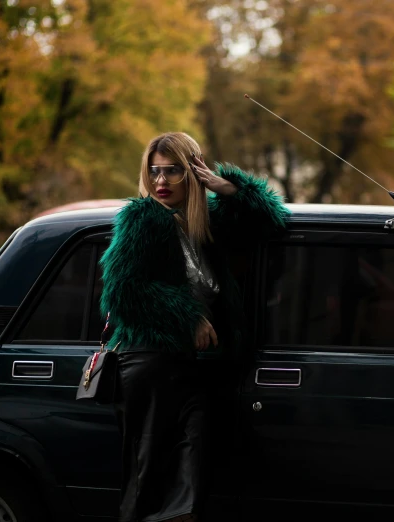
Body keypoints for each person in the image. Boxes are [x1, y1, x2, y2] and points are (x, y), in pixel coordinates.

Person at [99, 132, 289, 522]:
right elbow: (123, 290)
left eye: (174, 172)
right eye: (155, 172)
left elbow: (271, 220)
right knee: (149, 471)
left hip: (194, 368)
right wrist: (190, 316)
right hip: (149, 362)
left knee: (193, 471)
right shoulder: (142, 219)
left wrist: (226, 186)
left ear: (193, 172)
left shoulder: (206, 223)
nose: (161, 182)